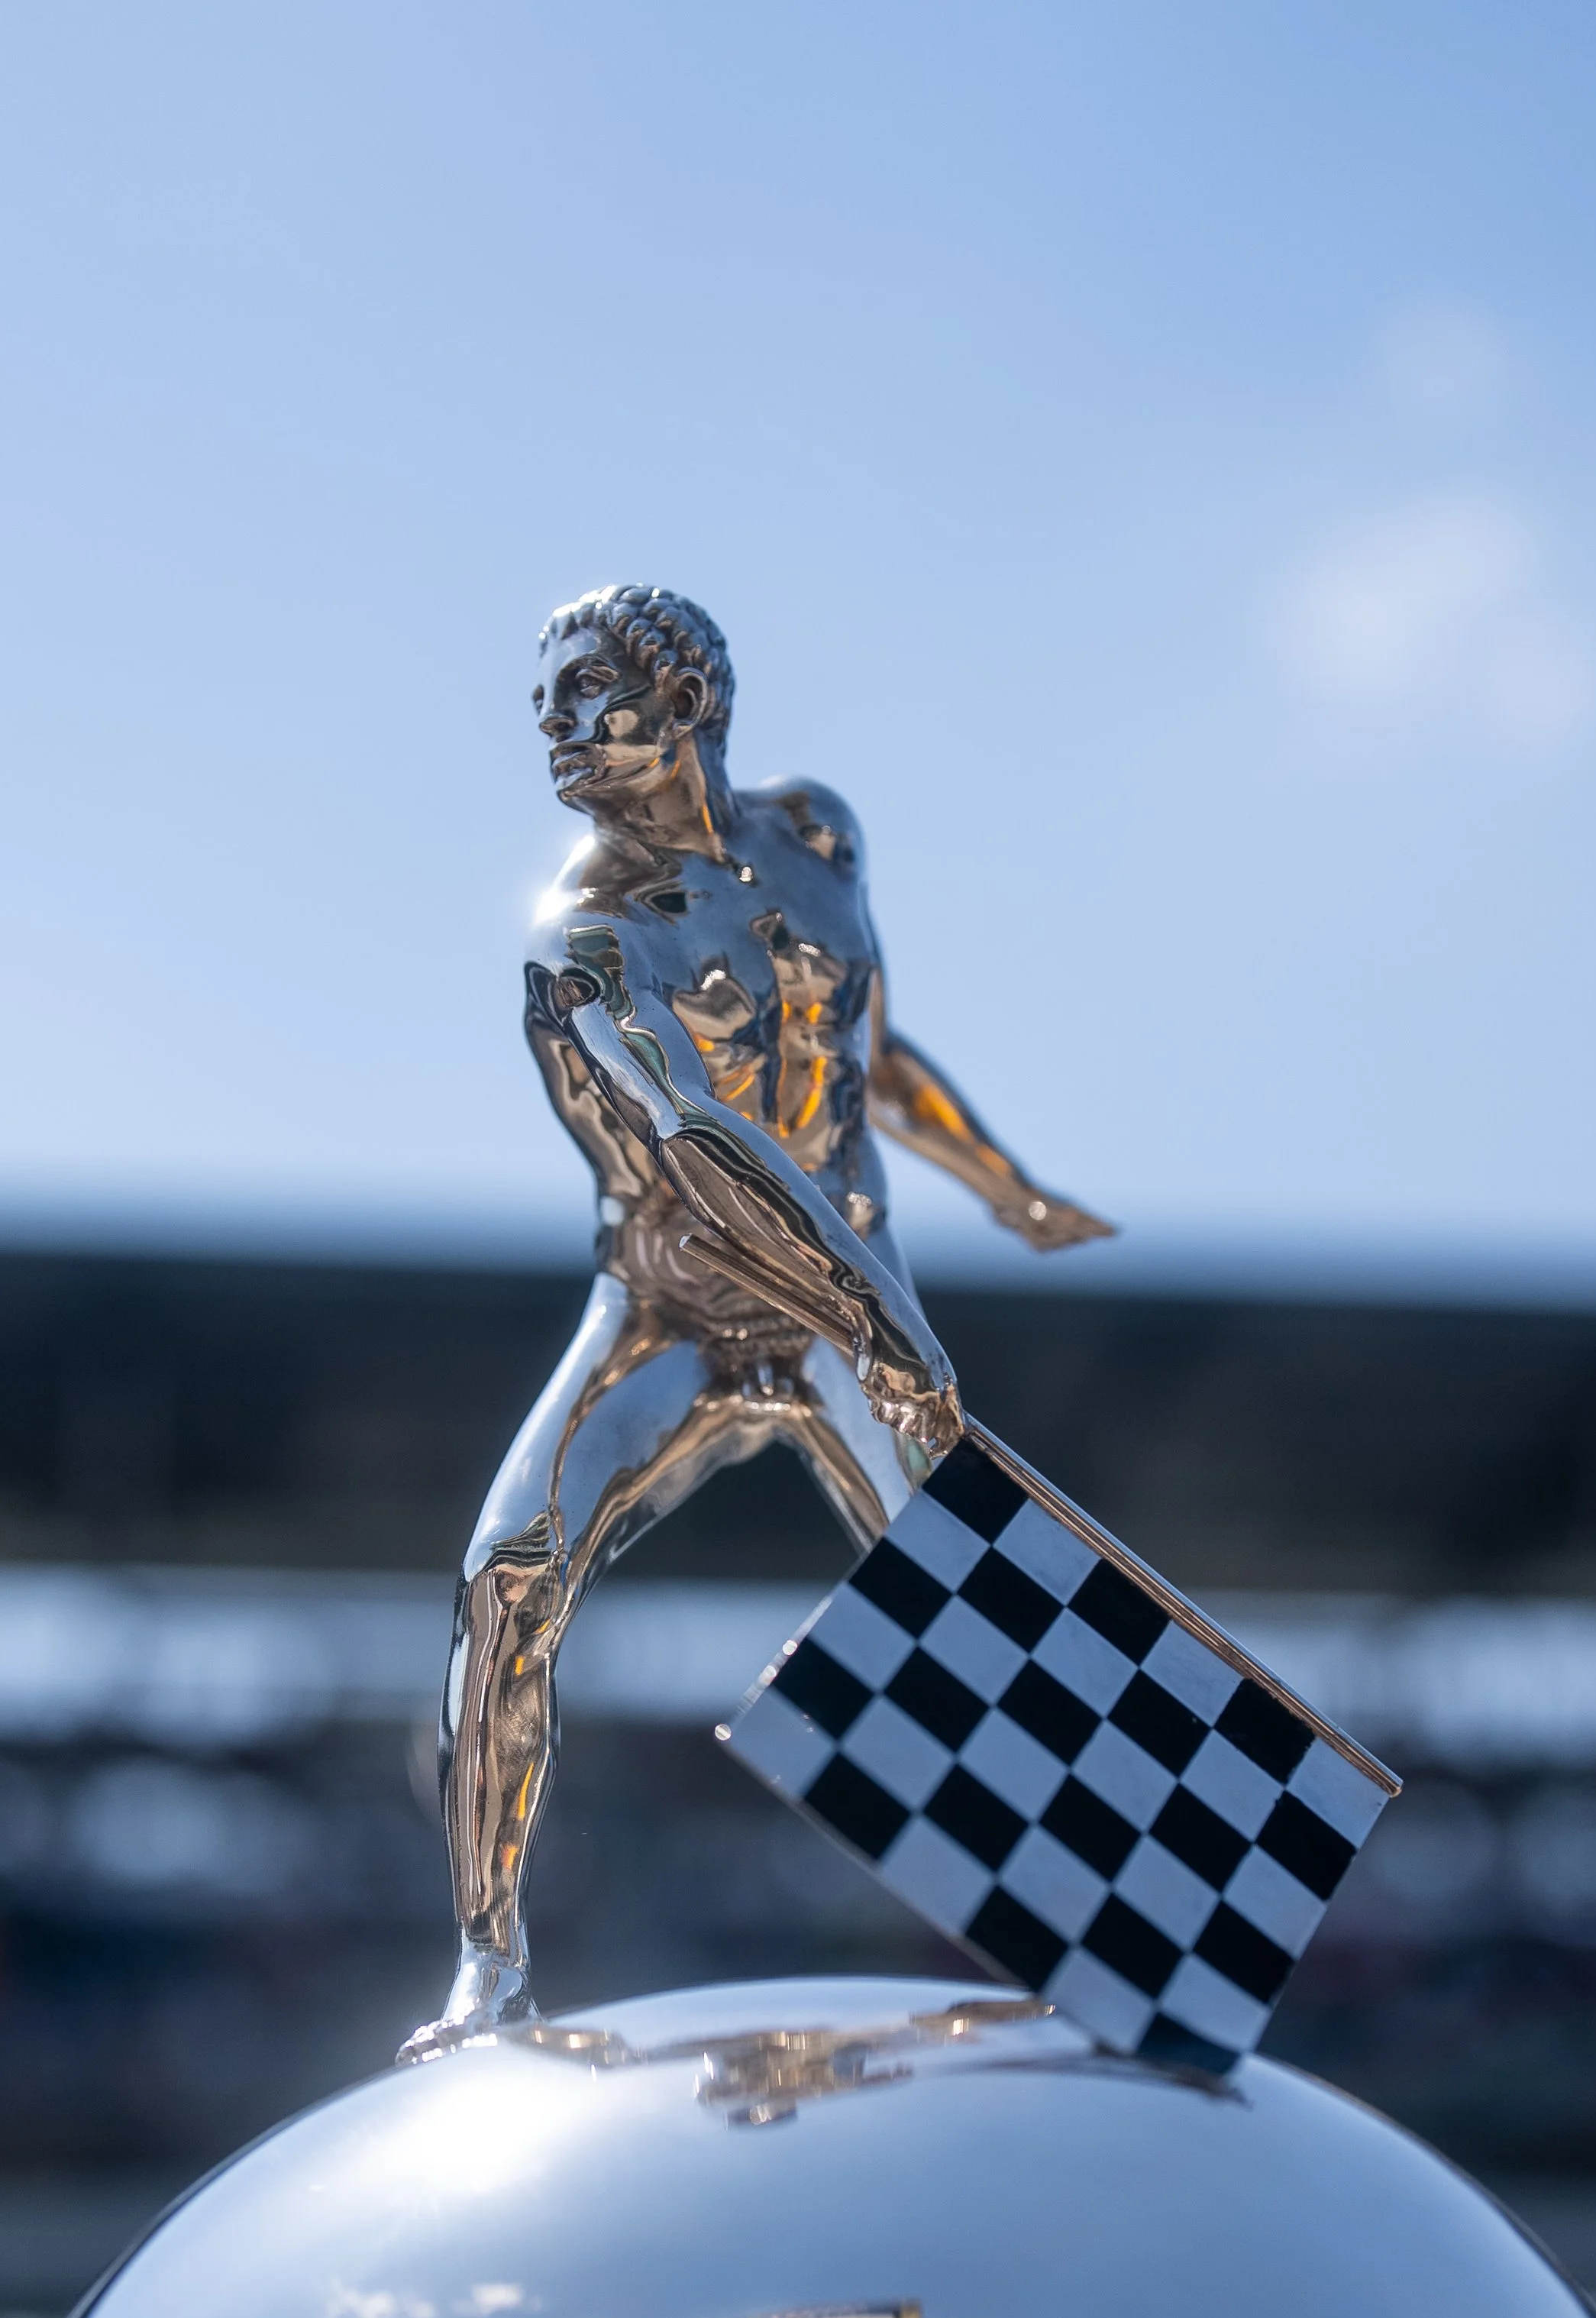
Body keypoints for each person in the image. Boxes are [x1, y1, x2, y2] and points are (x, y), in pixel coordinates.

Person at [402, 586, 1111, 2056]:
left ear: (684, 704)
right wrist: (877, 1318)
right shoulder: (585, 936)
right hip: (671, 1305)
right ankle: (485, 1970)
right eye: (542, 702)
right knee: (506, 1580)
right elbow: (698, 1150)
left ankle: (1090, 1938)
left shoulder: (820, 838)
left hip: (852, 1295)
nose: (554, 729)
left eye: (586, 692)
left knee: (983, 1598)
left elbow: (864, 1056)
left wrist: (1006, 1188)